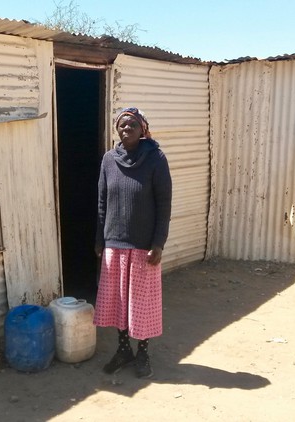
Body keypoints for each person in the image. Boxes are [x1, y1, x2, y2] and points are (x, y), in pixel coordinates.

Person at [93, 107, 172, 378]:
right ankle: (123, 349)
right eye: (122, 125)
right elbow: (102, 201)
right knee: (119, 303)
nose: (126, 130)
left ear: (142, 130)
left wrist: (158, 243)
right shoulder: (108, 160)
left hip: (143, 246)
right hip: (115, 243)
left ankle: (143, 353)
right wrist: (99, 238)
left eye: (132, 126)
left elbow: (164, 204)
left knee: (142, 305)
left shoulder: (156, 159)